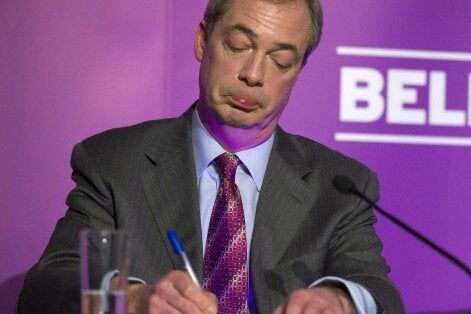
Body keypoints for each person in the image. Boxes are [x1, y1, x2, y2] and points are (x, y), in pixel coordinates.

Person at [18, 0, 404, 313]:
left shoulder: (339, 185)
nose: (254, 74)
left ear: (299, 70)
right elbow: (50, 286)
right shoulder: (115, 164)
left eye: (280, 61)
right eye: (238, 46)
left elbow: (378, 292)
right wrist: (130, 301)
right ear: (203, 39)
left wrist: (339, 301)